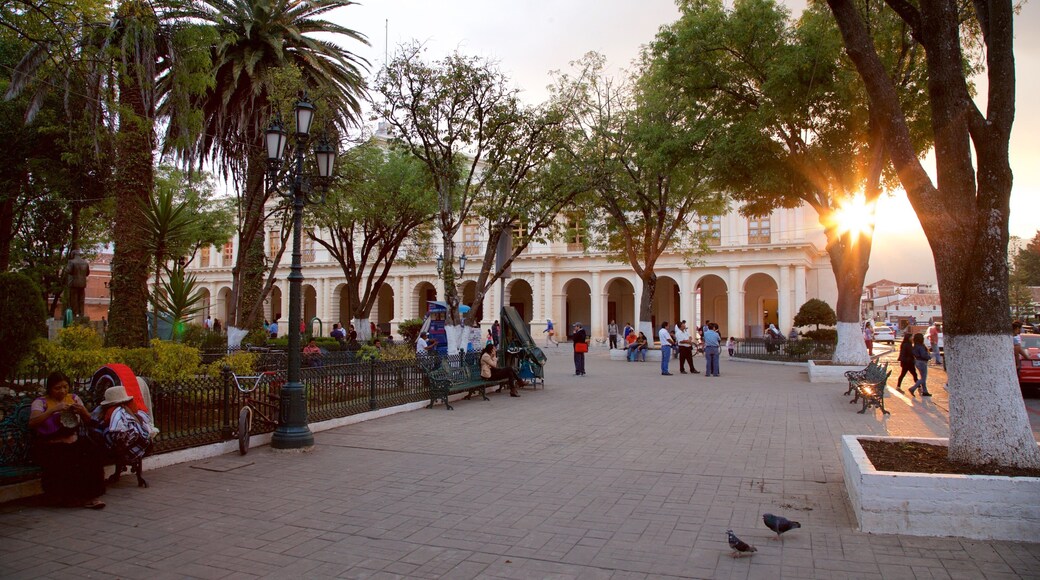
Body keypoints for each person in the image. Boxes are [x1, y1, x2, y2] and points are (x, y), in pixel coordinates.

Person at [28, 372, 106, 509]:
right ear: (50, 389)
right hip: (49, 442)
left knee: (91, 453)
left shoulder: (74, 398)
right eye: (57, 388)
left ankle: (91, 496)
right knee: (67, 456)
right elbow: (33, 423)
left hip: (72, 439)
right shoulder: (40, 402)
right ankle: (69, 497)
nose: (62, 391)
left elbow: (89, 421)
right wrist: (52, 410)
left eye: (65, 387)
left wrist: (82, 411)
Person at [64, 249, 90, 318]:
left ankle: (74, 314)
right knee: (81, 299)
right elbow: (87, 273)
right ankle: (81, 313)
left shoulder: (71, 262)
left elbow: (68, 271)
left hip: (73, 283)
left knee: (73, 299)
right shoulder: (85, 263)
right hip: (82, 284)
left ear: (73, 254)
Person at [909, 333, 932, 397]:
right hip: (922, 362)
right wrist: (929, 357)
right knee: (923, 378)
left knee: (922, 377)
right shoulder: (921, 346)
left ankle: (925, 391)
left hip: (917, 361)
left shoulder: (915, 346)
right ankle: (913, 388)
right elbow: (923, 355)